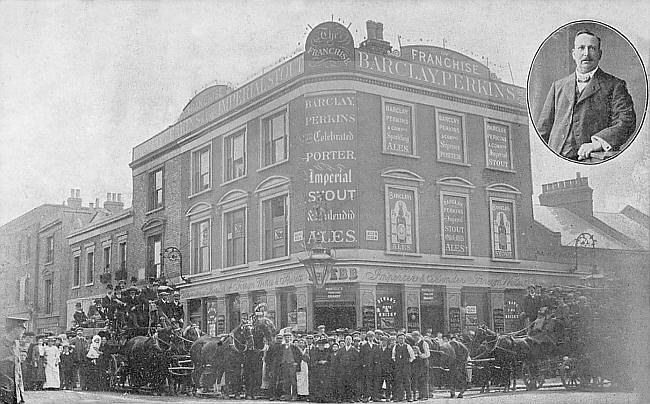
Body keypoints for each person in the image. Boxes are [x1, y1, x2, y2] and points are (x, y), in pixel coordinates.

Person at [536, 29, 636, 162]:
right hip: (556, 159)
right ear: (573, 53)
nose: (586, 53)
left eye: (592, 48)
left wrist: (597, 144)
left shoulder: (615, 85)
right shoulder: (557, 86)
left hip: (591, 159)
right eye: (581, 48)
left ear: (600, 54)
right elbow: (543, 129)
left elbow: (626, 121)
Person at [0, 316, 28, 404]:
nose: (24, 332)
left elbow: (18, 373)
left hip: (14, 394)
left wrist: (21, 396)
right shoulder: (1, 345)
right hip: (3, 394)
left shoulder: (15, 345)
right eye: (22, 329)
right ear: (15, 328)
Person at [392, 333, 415, 402]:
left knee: (407, 381)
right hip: (398, 366)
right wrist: (397, 362)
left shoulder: (407, 346)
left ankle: (409, 397)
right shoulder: (395, 347)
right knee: (398, 382)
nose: (401, 340)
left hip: (406, 366)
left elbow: (412, 356)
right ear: (397, 339)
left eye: (402, 338)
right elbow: (393, 356)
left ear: (404, 339)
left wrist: (408, 362)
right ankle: (400, 397)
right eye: (399, 338)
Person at [308, 337, 331, 403]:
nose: (321, 346)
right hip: (317, 370)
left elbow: (330, 360)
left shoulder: (327, 351)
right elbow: (312, 361)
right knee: (317, 384)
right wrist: (318, 362)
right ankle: (317, 397)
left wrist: (325, 362)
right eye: (320, 345)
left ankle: (325, 397)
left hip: (325, 370)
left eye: (323, 345)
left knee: (325, 384)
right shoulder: (315, 352)